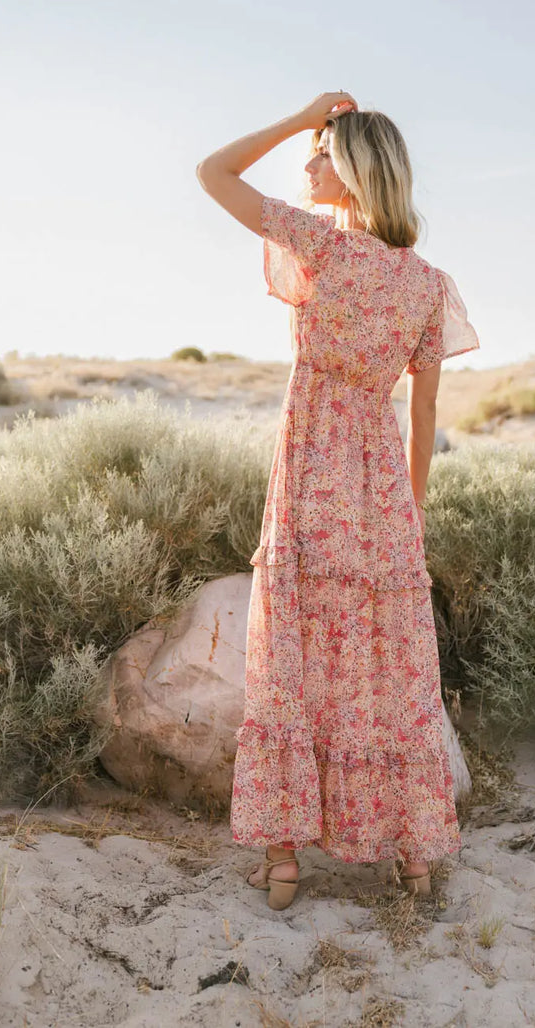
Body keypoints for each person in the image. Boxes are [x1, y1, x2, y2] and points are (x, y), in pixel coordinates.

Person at [196, 91, 479, 911]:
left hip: (314, 456)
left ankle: (284, 859)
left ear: (353, 171)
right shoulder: (430, 285)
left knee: (293, 646)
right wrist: (412, 514)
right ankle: (412, 858)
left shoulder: (321, 244)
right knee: (386, 659)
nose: (308, 164)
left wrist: (297, 114)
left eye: (321, 153)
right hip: (382, 480)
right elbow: (423, 413)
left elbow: (213, 173)